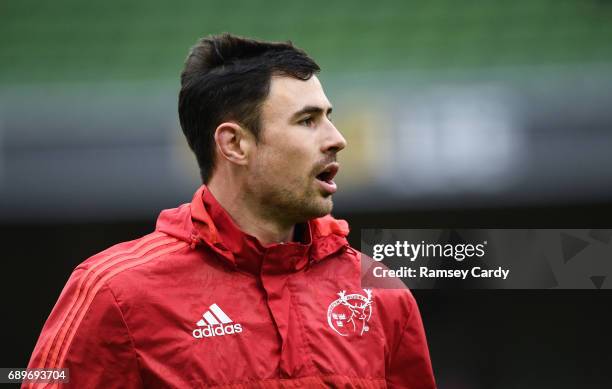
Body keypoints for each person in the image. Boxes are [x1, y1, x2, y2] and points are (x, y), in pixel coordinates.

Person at [25, 34, 436, 388]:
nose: (337, 139)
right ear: (234, 144)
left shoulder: (379, 292)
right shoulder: (114, 293)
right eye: (307, 121)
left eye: (329, 117)